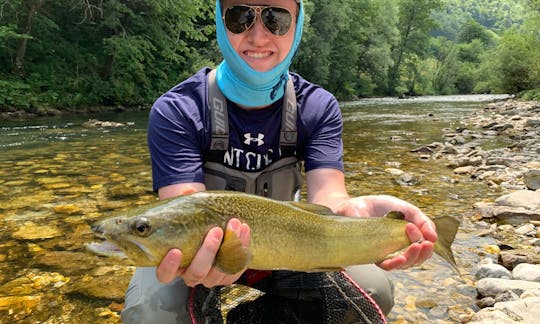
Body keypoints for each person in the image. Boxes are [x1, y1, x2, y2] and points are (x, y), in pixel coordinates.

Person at [121, 0, 437, 323]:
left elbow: (330, 202)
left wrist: (361, 217)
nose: (258, 36)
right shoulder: (177, 110)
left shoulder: (317, 107)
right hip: (207, 259)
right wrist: (204, 257)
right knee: (149, 314)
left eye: (276, 19)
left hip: (287, 251)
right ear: (219, 20)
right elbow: (181, 214)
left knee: (374, 289)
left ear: (298, 24)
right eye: (240, 16)